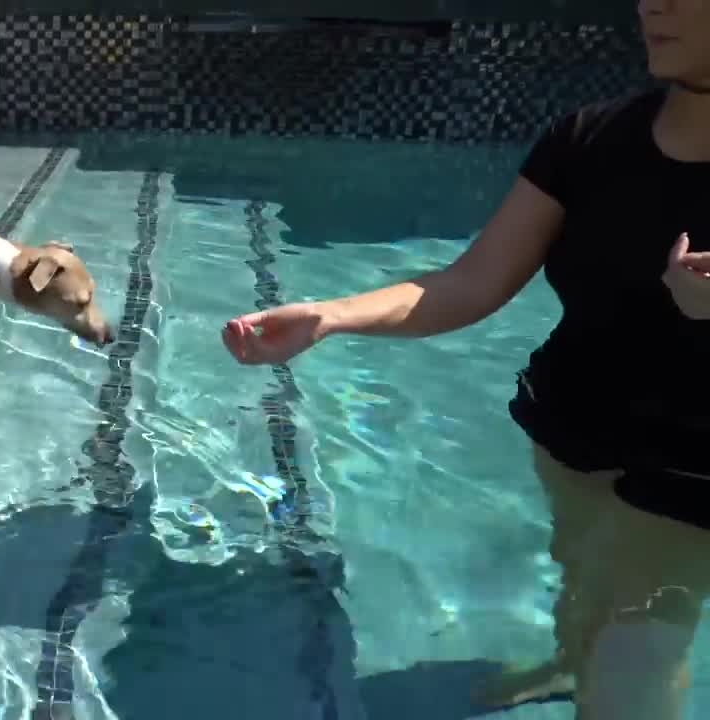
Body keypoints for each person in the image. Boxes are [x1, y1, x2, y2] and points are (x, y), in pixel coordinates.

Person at [221, 1, 710, 718]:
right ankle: (573, 663)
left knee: (634, 673)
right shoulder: (590, 138)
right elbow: (472, 282)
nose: (653, 2)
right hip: (572, 432)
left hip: (691, 474)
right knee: (584, 578)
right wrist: (330, 317)